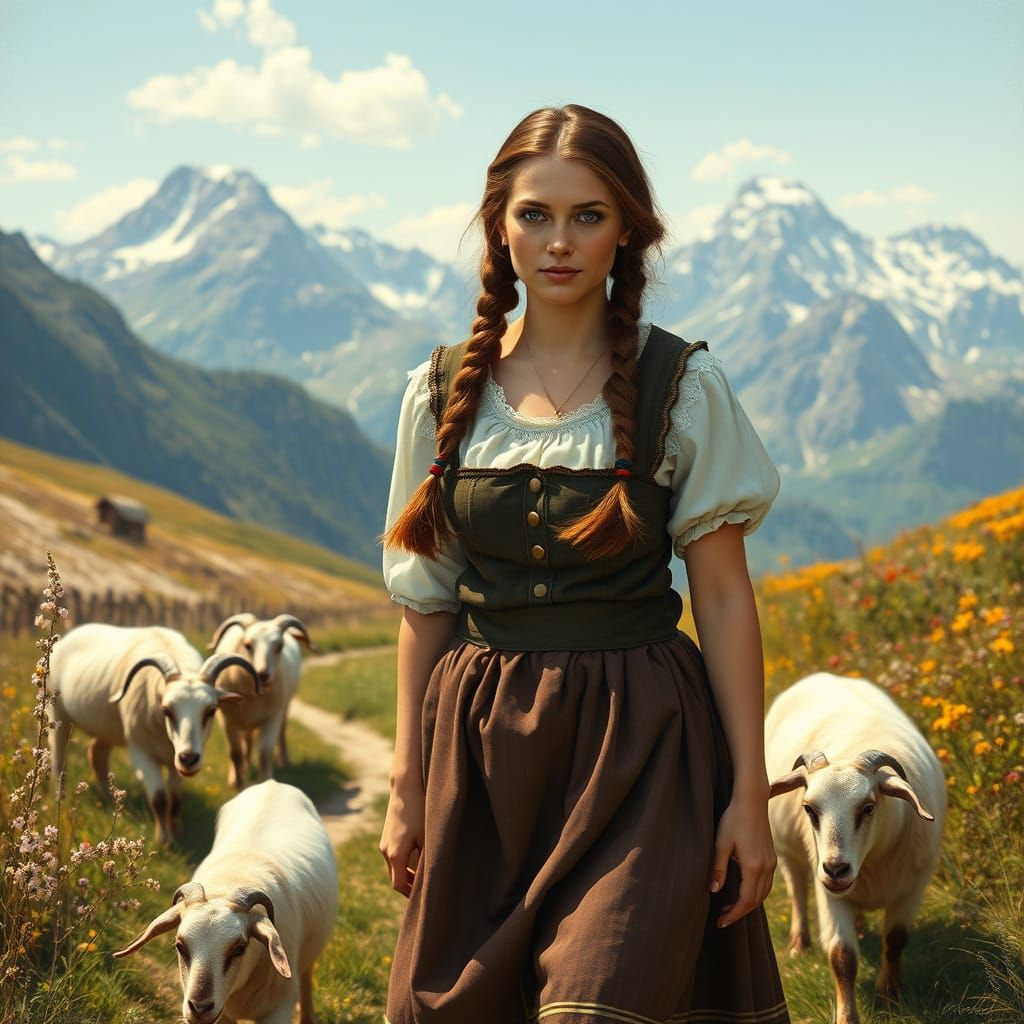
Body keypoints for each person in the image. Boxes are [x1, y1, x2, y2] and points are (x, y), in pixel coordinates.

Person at [379, 103, 790, 1024]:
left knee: (601, 1003)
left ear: (629, 231)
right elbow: (426, 602)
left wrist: (749, 797)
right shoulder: (442, 391)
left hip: (641, 747)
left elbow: (722, 600)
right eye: (534, 215)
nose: (558, 241)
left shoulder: (681, 385)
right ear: (499, 226)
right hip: (479, 757)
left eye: (588, 216)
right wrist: (407, 784)